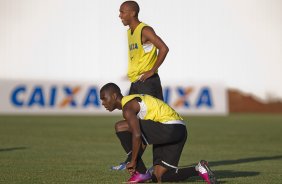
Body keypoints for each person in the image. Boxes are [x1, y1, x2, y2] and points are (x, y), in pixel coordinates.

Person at [100, 83, 217, 183]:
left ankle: (141, 173)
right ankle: (199, 169)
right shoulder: (132, 102)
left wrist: (134, 161)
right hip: (178, 131)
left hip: (170, 127)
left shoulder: (128, 107)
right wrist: (132, 160)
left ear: (114, 95)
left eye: (104, 98)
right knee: (159, 176)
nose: (103, 103)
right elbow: (144, 138)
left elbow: (137, 135)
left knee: (120, 126)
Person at [112, 0, 169, 171]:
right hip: (136, 84)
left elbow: (164, 48)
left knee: (150, 123)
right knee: (131, 122)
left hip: (148, 84)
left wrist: (152, 70)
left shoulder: (145, 30)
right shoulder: (130, 32)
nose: (119, 15)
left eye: (122, 12)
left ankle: (158, 165)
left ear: (132, 13)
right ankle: (133, 160)